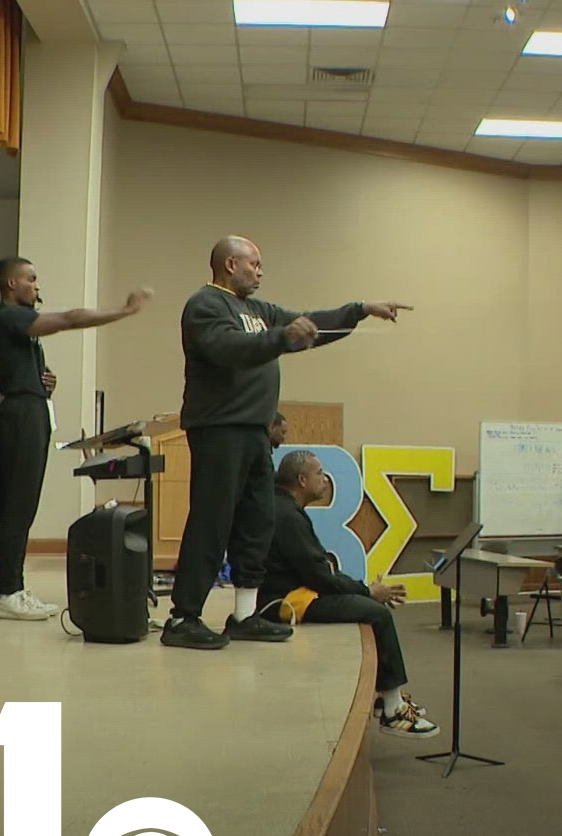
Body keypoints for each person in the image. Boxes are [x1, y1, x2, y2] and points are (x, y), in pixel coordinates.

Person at [162, 235, 408, 650]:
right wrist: (282, 337)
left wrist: (360, 310)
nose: (260, 271)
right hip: (220, 428)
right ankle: (183, 617)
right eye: (254, 264)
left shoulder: (260, 310)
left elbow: (311, 323)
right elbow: (228, 349)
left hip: (256, 431)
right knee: (212, 522)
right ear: (229, 264)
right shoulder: (205, 305)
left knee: (257, 524)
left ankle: (244, 615)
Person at [0, 256, 152, 621]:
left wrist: (45, 381)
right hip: (21, 414)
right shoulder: (7, 316)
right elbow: (70, 319)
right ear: (11, 284)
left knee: (26, 505)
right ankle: (8, 592)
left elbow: (30, 367)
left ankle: (14, 586)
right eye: (31, 279)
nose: (37, 285)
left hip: (33, 409)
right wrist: (123, 311)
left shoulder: (16, 323)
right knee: (19, 505)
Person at [260, 451, 438, 737]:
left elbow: (319, 569)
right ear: (302, 479)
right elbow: (319, 576)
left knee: (367, 604)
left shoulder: (285, 509)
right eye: (320, 473)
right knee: (377, 614)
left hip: (297, 593)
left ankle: (385, 699)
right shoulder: (288, 517)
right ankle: (392, 710)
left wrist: (365, 590)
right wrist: (368, 591)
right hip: (286, 603)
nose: (325, 480)